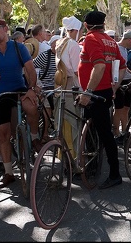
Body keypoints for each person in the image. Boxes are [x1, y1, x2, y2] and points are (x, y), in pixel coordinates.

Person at [0, 18, 41, 189]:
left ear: (6, 29)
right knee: (3, 133)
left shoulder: (18, 47)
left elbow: (29, 69)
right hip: (0, 96)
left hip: (20, 89)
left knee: (31, 106)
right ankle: (8, 172)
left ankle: (35, 138)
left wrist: (31, 88)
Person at [77, 10, 126, 189]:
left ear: (86, 25)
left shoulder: (91, 39)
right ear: (103, 24)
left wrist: (88, 92)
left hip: (95, 93)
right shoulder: (110, 41)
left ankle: (113, 174)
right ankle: (92, 169)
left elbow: (99, 65)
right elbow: (122, 65)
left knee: (102, 133)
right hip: (105, 91)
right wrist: (115, 85)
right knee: (98, 132)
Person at [54, 16, 82, 159]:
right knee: (72, 121)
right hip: (72, 85)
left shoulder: (60, 42)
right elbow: (77, 69)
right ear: (76, 30)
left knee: (63, 121)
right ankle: (73, 156)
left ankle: (63, 154)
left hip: (60, 85)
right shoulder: (73, 44)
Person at [113, 30, 131, 144]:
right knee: (118, 109)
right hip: (119, 81)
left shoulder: (124, 49)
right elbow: (116, 67)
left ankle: (125, 131)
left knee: (126, 108)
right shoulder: (117, 48)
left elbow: (124, 66)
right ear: (128, 39)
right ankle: (116, 133)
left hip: (127, 80)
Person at [33, 35, 59, 142]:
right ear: (51, 44)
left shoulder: (62, 56)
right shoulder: (45, 56)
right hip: (46, 86)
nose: (57, 46)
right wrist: (37, 83)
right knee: (47, 110)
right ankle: (44, 135)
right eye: (55, 44)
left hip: (59, 87)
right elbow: (32, 66)